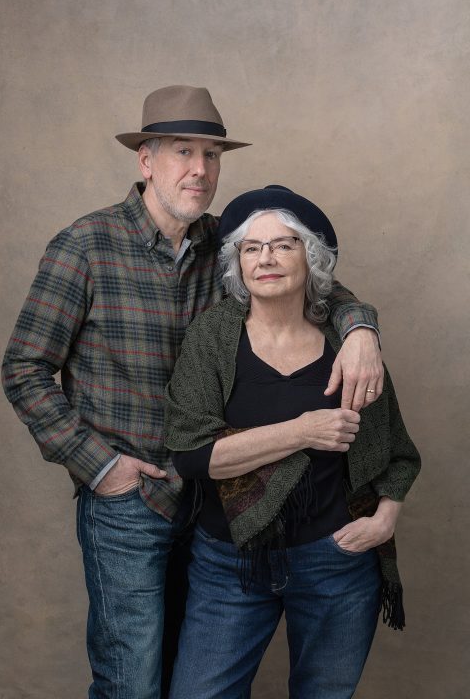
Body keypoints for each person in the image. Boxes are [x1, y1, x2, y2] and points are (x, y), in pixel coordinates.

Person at [2, 86, 383, 699]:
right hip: (130, 503)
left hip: (217, 506)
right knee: (132, 677)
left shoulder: (224, 244)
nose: (200, 170)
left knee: (191, 674)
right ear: (145, 161)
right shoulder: (86, 246)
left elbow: (308, 283)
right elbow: (23, 369)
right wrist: (100, 468)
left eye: (211, 155)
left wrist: (361, 326)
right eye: (183, 152)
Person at [164, 186, 421, 699]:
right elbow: (192, 456)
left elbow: (397, 454)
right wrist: (303, 431)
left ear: (313, 257)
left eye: (285, 245)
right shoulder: (213, 336)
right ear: (238, 264)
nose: (267, 259)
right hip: (229, 561)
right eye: (253, 248)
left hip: (337, 562)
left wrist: (386, 517)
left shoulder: (350, 348)